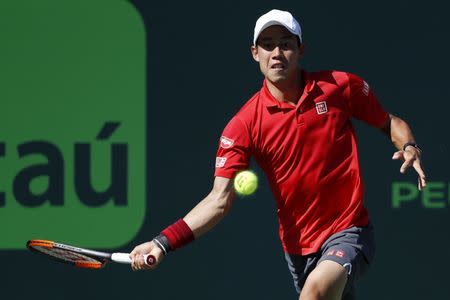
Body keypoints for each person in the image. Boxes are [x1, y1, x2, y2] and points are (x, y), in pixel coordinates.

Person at [130, 9, 426, 300]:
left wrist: (408, 146)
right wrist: (162, 242)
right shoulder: (244, 124)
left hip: (349, 230)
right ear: (254, 53)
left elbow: (389, 123)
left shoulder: (339, 87)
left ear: (300, 49)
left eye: (286, 44)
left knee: (315, 293)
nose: (276, 53)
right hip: (298, 250)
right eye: (267, 45)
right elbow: (218, 201)